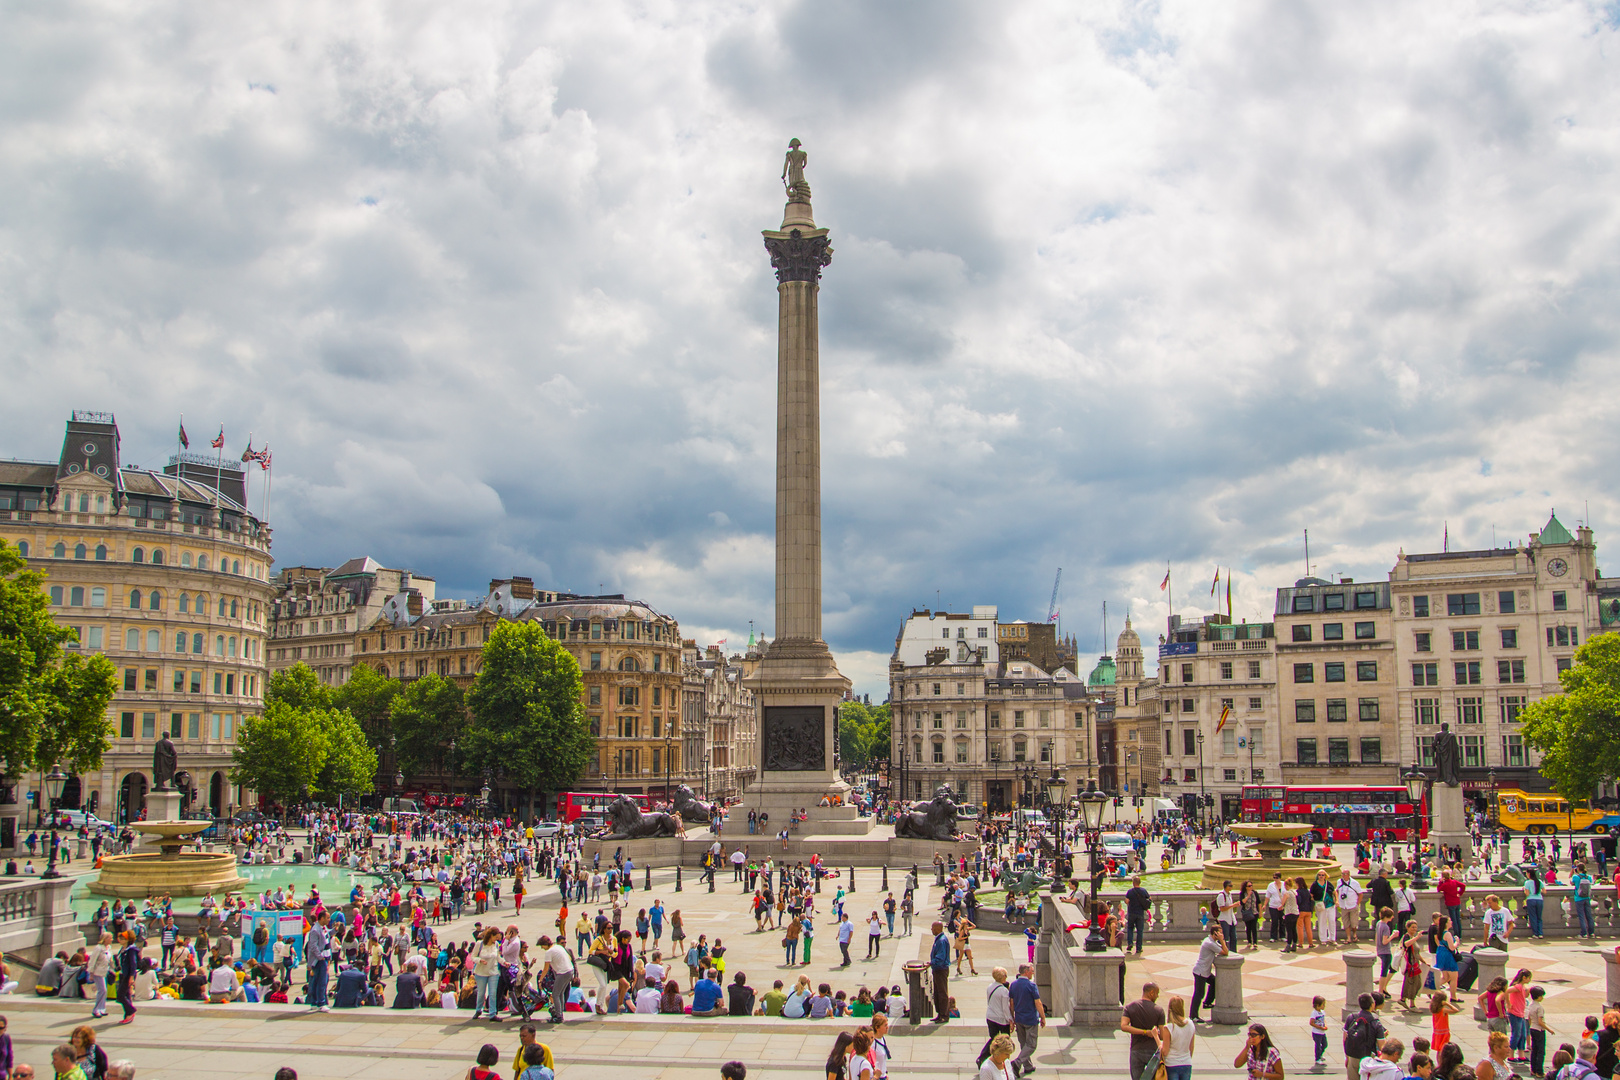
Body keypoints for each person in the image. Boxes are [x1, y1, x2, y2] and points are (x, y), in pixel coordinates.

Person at [1122, 982, 1165, 1080]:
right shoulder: (1159, 1010)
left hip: (1136, 1049)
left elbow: (1124, 1026)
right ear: (1151, 992)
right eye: (1157, 993)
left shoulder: (1130, 1007)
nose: (1157, 996)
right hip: (1153, 1051)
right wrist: (1152, 1033)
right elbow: (1162, 1035)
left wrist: (1143, 1032)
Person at [1008, 963, 1044, 1076]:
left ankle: (1028, 1066)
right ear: (1026, 972)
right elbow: (1038, 1003)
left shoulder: (1013, 985)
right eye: (1031, 971)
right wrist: (1043, 1017)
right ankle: (1017, 1063)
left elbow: (1012, 1003)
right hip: (1030, 1019)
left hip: (1019, 1019)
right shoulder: (1031, 985)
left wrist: (1013, 1017)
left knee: (1024, 1044)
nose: (1033, 973)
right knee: (1031, 1045)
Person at [1345, 993, 1388, 1080]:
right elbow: (1382, 1045)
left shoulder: (1351, 1017)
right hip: (1368, 1057)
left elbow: (1345, 1038)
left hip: (1353, 1056)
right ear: (1372, 1004)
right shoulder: (1375, 1021)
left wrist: (1347, 1057)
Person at [1190, 922, 1226, 1023]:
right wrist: (1222, 940)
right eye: (1220, 933)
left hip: (1205, 971)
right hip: (1200, 972)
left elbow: (1223, 949)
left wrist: (1221, 941)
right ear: (1215, 934)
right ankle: (1193, 1016)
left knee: (1215, 982)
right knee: (1199, 993)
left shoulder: (1211, 941)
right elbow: (1225, 952)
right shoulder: (1210, 943)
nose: (1222, 935)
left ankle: (1207, 1003)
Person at [978, 967, 1013, 1069]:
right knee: (1005, 1040)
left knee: (993, 1039)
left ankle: (983, 1057)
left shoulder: (990, 987)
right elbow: (1005, 1009)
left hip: (990, 1016)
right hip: (1001, 1019)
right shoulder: (1003, 991)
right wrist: (1010, 1020)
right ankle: (1004, 1060)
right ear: (1003, 977)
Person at [538, 935, 573, 1025]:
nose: (542, 948)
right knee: (560, 993)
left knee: (555, 994)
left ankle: (558, 1016)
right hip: (570, 970)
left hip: (563, 973)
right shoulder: (558, 947)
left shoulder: (549, 952)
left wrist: (540, 980)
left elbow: (545, 969)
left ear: (545, 944)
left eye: (542, 946)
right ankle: (560, 1013)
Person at [1159, 995, 1196, 1080]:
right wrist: (1187, 1058)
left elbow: (1165, 1051)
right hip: (1186, 1062)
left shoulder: (1169, 1027)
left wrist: (1156, 1038)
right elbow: (1191, 1047)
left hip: (1172, 1064)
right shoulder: (1190, 1024)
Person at [1528, 986, 1554, 1077]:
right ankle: (1539, 1071)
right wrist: (1549, 1029)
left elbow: (1529, 1018)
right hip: (1539, 1030)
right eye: (1541, 996)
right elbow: (1540, 1022)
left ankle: (1533, 1069)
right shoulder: (1539, 1008)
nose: (1542, 997)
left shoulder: (1530, 1006)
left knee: (1534, 1050)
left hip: (1532, 1028)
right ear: (1538, 996)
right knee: (1541, 1052)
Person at [929, 921, 951, 1024]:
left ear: (937, 929)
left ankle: (944, 1015)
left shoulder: (941, 941)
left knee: (942, 993)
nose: (931, 929)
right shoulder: (938, 939)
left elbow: (941, 957)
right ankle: (939, 1014)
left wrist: (931, 963)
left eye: (932, 928)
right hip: (937, 969)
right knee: (937, 992)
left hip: (941, 969)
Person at [1125, 877, 1151, 956]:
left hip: (1131, 912)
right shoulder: (1143, 891)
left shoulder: (1130, 892)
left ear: (1133, 883)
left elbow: (1126, 901)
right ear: (1140, 883)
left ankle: (1130, 943)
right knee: (1140, 931)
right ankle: (1139, 948)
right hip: (1140, 913)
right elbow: (1149, 899)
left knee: (1130, 928)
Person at [1310, 996, 1329, 1065]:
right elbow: (1311, 1022)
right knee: (1317, 1045)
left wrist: (1325, 1026)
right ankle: (1317, 1058)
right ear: (1318, 1005)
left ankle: (1320, 1054)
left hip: (1322, 1032)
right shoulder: (1314, 1013)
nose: (1324, 1006)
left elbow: (1324, 1019)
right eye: (1323, 1004)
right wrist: (1319, 1027)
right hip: (1316, 1032)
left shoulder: (1322, 1012)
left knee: (1325, 1044)